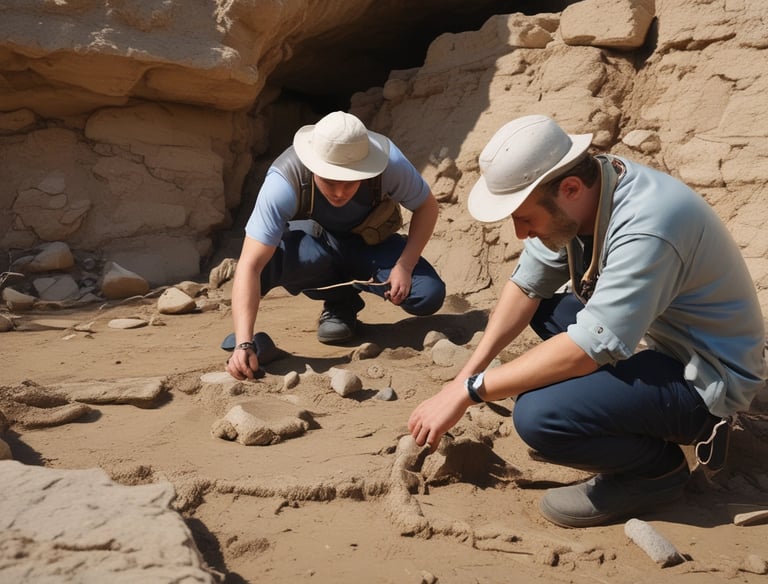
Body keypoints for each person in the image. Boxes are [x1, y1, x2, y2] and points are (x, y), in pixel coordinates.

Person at [407, 114, 767, 528]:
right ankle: (609, 415)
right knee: (543, 309)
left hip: (708, 376)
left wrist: (471, 392)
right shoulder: (589, 188)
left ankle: (655, 472)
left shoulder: (649, 224)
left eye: (525, 218)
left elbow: (590, 345)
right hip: (660, 340)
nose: (520, 233)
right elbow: (527, 286)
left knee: (540, 415)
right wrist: (467, 374)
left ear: (570, 189)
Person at [226, 111, 445, 380]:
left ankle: (342, 306)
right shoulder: (283, 180)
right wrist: (244, 343)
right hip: (316, 246)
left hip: (370, 247)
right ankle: (337, 303)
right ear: (312, 166)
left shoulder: (390, 163)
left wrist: (405, 265)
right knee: (267, 260)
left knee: (428, 293)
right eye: (329, 181)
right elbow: (250, 265)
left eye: (350, 182)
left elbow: (427, 207)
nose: (339, 192)